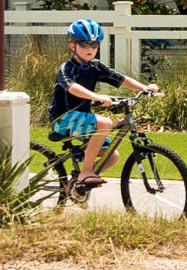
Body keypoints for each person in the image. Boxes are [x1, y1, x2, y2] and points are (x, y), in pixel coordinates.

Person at [48, 19, 158, 193]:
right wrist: (96, 96)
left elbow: (121, 79)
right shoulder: (66, 68)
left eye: (94, 44)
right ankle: (86, 172)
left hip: (83, 120)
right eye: (84, 44)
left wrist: (144, 87)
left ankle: (78, 184)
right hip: (63, 119)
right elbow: (72, 87)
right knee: (105, 123)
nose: (90, 49)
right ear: (72, 46)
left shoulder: (96, 66)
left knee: (111, 155)